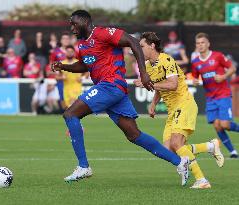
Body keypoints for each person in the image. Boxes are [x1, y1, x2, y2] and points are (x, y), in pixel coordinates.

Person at [51, 10, 190, 185]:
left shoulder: (103, 33)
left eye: (74, 23)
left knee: (70, 115)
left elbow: (133, 42)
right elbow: (84, 65)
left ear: (85, 22)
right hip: (112, 90)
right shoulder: (82, 45)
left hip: (111, 85)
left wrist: (144, 74)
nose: (71, 28)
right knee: (134, 135)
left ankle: (83, 166)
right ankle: (180, 162)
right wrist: (63, 66)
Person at [134, 32, 225, 189]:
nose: (139, 50)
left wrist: (147, 84)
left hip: (184, 104)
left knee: (177, 143)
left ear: (152, 46)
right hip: (173, 110)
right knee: (168, 150)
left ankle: (202, 180)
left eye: (141, 46)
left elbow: (172, 84)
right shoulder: (149, 66)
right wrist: (154, 104)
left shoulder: (166, 59)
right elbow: (159, 86)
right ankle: (210, 146)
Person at [191, 32, 239, 158]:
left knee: (225, 124)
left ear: (208, 44)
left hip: (223, 94)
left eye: (202, 43)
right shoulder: (195, 62)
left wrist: (224, 76)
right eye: (198, 43)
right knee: (217, 126)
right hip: (210, 98)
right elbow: (195, 78)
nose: (200, 45)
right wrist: (195, 81)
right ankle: (233, 152)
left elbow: (232, 68)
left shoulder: (217, 56)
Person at [50, 32, 71, 109]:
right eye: (64, 39)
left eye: (67, 39)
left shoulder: (74, 51)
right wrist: (58, 72)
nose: (65, 40)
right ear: (61, 40)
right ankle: (66, 113)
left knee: (74, 98)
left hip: (72, 79)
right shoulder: (56, 52)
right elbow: (51, 65)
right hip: (62, 79)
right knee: (63, 98)